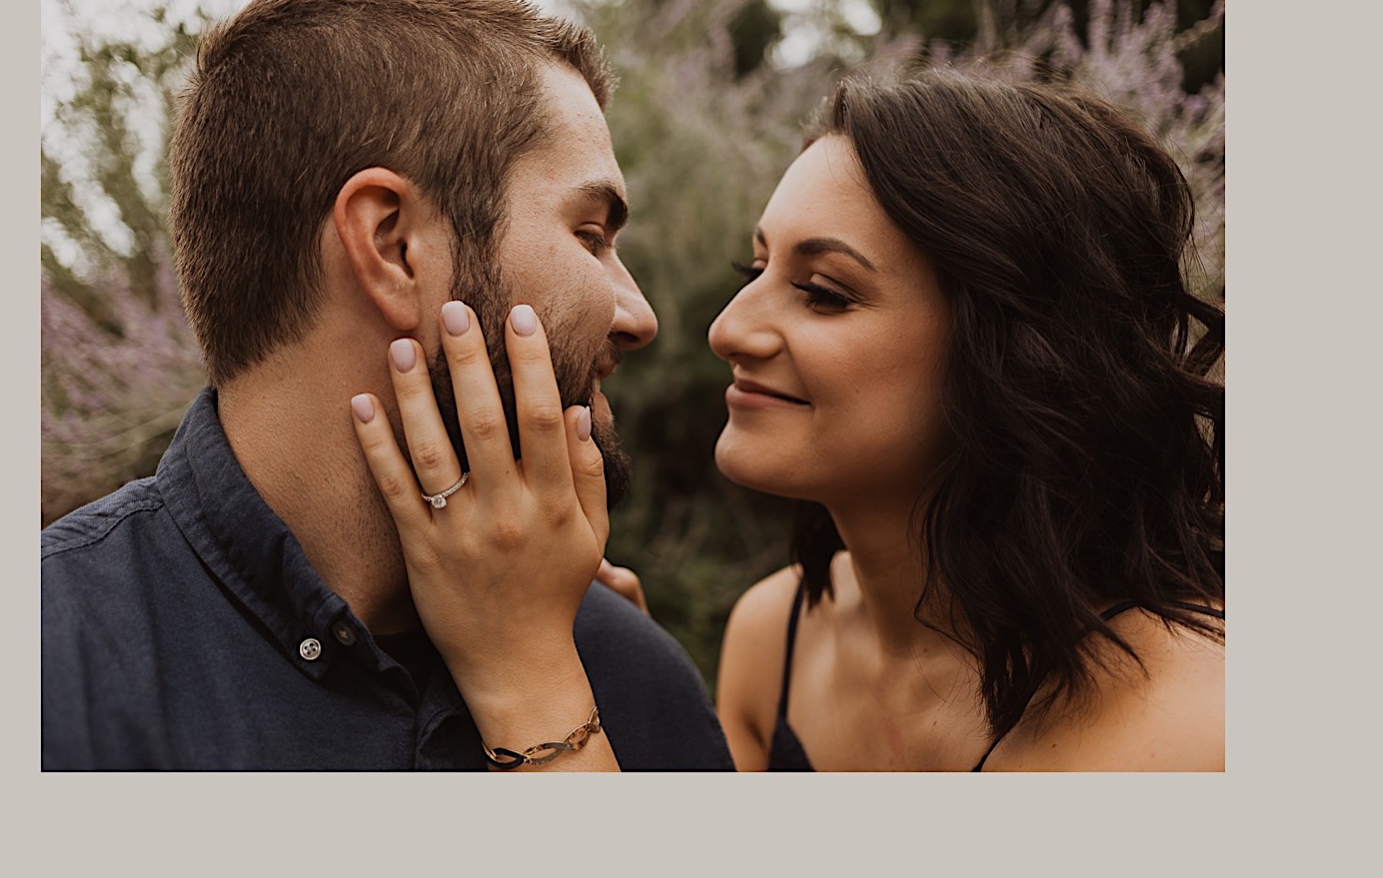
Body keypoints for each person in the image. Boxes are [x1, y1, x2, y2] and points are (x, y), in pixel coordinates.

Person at [352, 70, 1225, 771]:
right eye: (754, 266)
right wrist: (626, 689)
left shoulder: (1195, 729)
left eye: (823, 293)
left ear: (1016, 350)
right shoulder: (775, 636)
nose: (726, 328)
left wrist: (530, 681)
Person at [40, 0, 733, 771]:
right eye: (590, 233)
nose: (638, 315)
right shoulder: (48, 671)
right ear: (395, 245)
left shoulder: (632, 683)